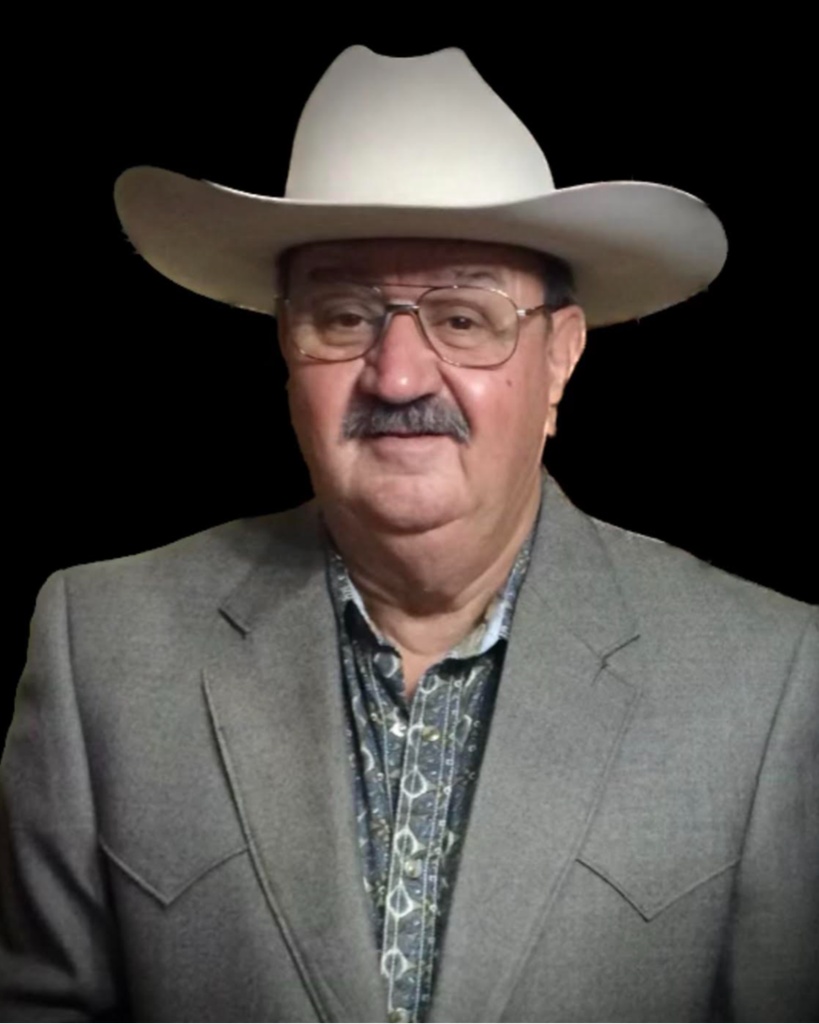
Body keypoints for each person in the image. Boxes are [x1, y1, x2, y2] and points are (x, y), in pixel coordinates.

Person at [1, 44, 816, 1024]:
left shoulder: (767, 679)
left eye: (464, 318)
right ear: (286, 345)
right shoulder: (102, 645)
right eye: (344, 315)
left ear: (560, 357)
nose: (396, 376)